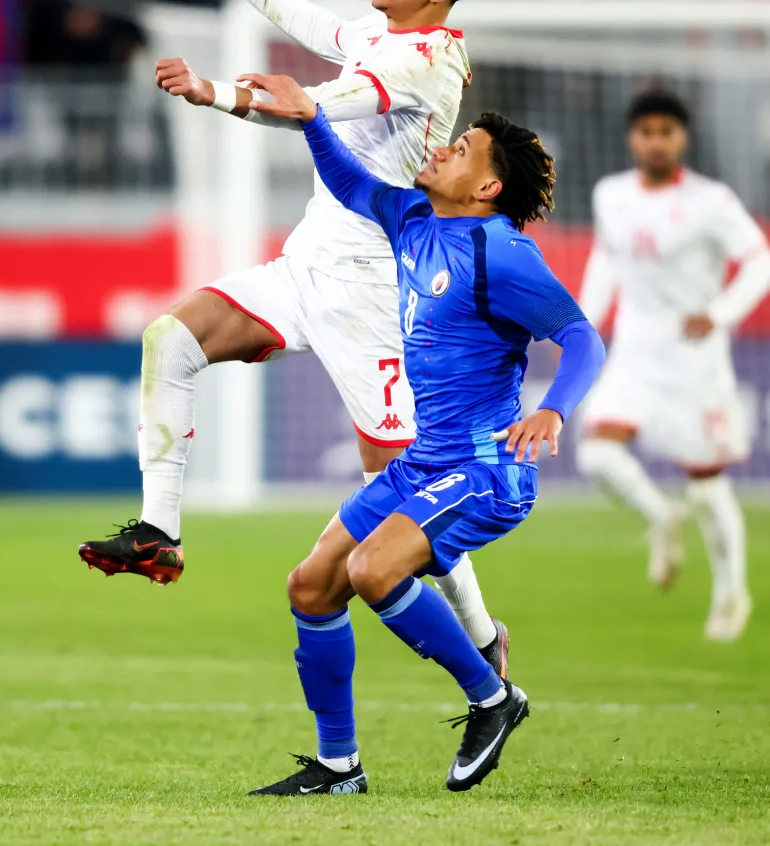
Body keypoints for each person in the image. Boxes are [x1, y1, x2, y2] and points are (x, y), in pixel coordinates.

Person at [78, 0, 511, 673]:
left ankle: (483, 635)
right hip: (303, 267)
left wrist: (214, 91)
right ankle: (159, 531)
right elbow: (316, 28)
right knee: (170, 340)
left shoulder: (427, 63)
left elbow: (317, 106)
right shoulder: (386, 36)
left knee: (405, 491)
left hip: (372, 295)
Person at [229, 72, 604, 795]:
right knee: (311, 587)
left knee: (374, 570)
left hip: (487, 468)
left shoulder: (502, 254)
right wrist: (312, 117)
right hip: (425, 461)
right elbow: (349, 183)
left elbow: (583, 339)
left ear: (488, 187)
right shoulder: (415, 223)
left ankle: (494, 699)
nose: (445, 147)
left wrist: (554, 409)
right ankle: (339, 767)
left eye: (463, 148)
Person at [577, 89, 770, 642]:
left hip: (694, 359)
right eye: (646, 131)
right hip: (635, 350)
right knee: (596, 455)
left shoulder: (713, 200)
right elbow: (607, 259)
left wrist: (721, 311)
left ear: (682, 138)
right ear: (631, 137)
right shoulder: (610, 194)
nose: (656, 141)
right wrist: (582, 321)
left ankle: (732, 590)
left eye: (667, 131)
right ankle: (662, 517)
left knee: (707, 486)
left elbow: (758, 258)